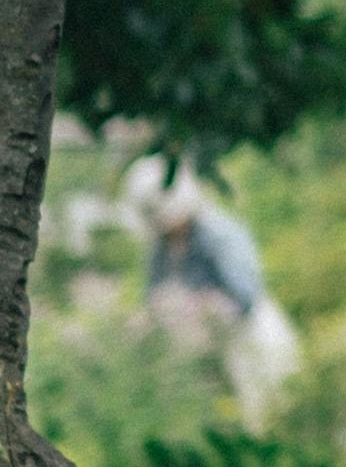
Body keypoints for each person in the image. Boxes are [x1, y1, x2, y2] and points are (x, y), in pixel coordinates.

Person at [124, 159, 303, 415]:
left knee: (266, 411)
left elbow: (245, 295)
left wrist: (201, 305)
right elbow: (153, 297)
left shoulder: (219, 234)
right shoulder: (161, 250)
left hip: (248, 339)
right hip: (202, 353)